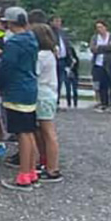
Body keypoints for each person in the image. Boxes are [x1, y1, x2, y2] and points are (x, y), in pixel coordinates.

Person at [0, 7, 40, 192]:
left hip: (16, 90)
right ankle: (31, 171)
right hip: (30, 87)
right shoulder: (32, 39)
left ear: (10, 23)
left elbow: (7, 67)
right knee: (29, 131)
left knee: (21, 133)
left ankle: (23, 176)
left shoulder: (14, 43)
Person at [31, 23, 63, 183]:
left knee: (48, 131)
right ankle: (47, 163)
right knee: (42, 131)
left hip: (42, 94)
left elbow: (33, 73)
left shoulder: (41, 56)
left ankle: (52, 168)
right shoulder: (50, 53)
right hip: (48, 93)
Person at [89, 20, 111, 112]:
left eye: (101, 27)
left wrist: (100, 48)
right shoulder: (95, 37)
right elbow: (93, 48)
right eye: (97, 27)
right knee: (102, 84)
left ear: (105, 27)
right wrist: (105, 48)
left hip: (110, 63)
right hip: (98, 64)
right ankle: (103, 103)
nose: (99, 29)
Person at [52, 16, 78, 109]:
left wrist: (70, 58)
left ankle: (57, 101)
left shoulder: (63, 33)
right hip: (54, 59)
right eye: (56, 21)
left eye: (60, 21)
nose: (58, 23)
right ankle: (54, 101)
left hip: (63, 60)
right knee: (54, 81)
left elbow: (67, 46)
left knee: (60, 81)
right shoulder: (51, 33)